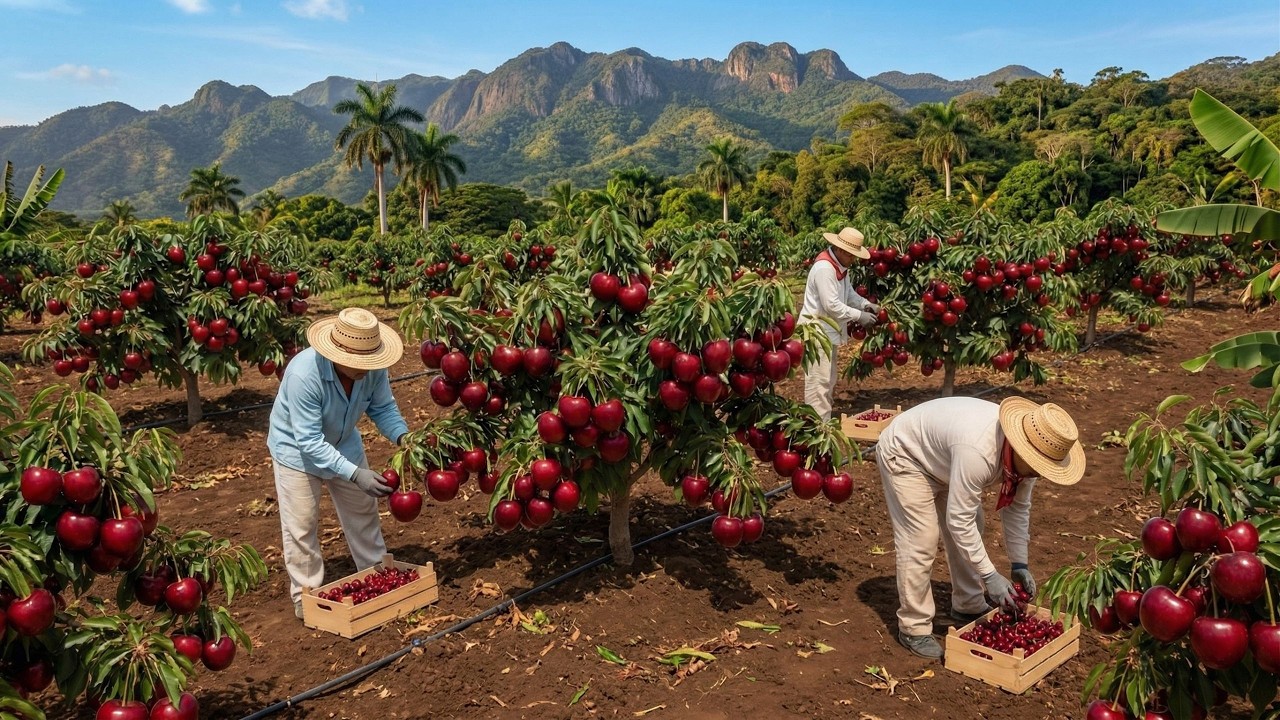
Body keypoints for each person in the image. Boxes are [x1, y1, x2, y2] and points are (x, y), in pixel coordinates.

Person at [873, 396, 1086, 659]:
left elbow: (1017, 509)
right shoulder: (979, 451)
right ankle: (913, 628)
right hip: (907, 454)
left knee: (975, 522)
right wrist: (989, 575)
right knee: (921, 540)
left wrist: (1019, 564)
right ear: (1021, 449)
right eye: (1038, 467)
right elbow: (958, 521)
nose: (1039, 474)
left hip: (945, 458)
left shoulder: (1030, 461)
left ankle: (968, 603)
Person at [267, 307, 410, 619]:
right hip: (296, 452)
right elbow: (308, 441)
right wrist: (355, 474)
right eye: (358, 363)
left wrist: (403, 437)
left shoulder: (372, 369)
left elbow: (383, 407)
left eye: (369, 361)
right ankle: (305, 595)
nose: (365, 369)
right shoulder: (304, 374)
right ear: (336, 354)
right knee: (302, 524)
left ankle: (376, 573)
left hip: (344, 442)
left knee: (363, 511)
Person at [798, 226, 879, 420]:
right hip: (817, 333)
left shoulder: (840, 267)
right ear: (841, 250)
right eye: (851, 255)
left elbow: (848, 294)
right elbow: (831, 305)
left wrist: (866, 304)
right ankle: (817, 426)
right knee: (818, 382)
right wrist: (859, 316)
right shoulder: (825, 269)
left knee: (828, 380)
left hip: (827, 333)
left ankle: (822, 422)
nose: (853, 260)